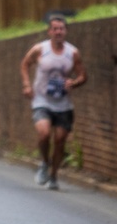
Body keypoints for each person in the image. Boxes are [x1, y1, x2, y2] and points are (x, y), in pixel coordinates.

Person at [20, 15, 87, 190]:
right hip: (42, 100)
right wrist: (27, 85)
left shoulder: (72, 53)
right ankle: (44, 162)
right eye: (55, 29)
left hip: (63, 103)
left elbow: (83, 76)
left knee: (60, 140)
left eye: (61, 29)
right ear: (50, 31)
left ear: (65, 31)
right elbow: (25, 64)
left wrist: (73, 82)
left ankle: (54, 175)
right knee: (43, 133)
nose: (58, 32)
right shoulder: (40, 49)